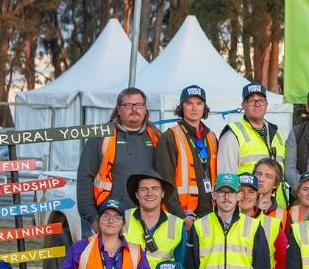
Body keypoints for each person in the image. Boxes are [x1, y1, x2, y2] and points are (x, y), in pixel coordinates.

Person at [77, 87, 161, 227]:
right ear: (118, 110)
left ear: (145, 109)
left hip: (148, 220)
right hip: (110, 219)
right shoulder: (101, 137)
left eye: (139, 105)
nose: (134, 109)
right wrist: (92, 218)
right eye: (128, 105)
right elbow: (85, 177)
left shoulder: (157, 137)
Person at [155, 84, 218, 217]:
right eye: (189, 103)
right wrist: (180, 216)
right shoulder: (170, 136)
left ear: (204, 107)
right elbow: (165, 182)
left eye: (199, 103)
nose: (194, 108)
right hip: (183, 214)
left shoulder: (211, 136)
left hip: (211, 212)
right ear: (181, 107)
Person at [217, 82, 287, 198]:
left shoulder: (278, 133)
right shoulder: (233, 134)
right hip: (248, 207)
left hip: (276, 207)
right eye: (251, 101)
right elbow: (226, 179)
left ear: (266, 104)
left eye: (260, 100)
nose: (257, 104)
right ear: (243, 105)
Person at [124, 171, 185, 269]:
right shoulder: (123, 218)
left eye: (155, 189)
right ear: (137, 195)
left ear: (162, 193)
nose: (149, 193)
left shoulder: (176, 224)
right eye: (144, 189)